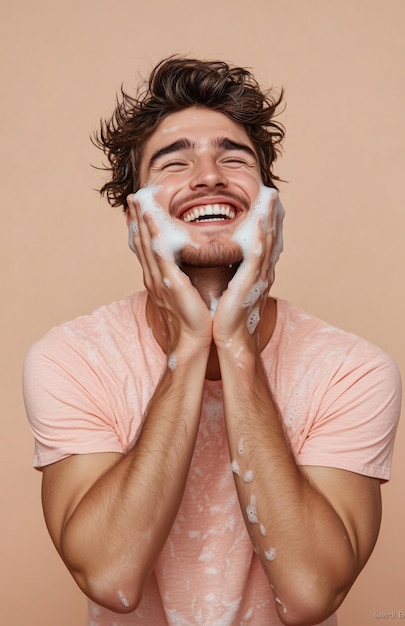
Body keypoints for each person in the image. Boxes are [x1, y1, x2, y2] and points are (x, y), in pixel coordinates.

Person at [23, 57, 401, 626]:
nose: (208, 175)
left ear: (269, 202)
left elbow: (310, 594)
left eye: (234, 157)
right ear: (135, 215)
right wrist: (190, 349)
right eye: (175, 160)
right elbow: (111, 577)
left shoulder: (352, 370)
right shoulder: (72, 358)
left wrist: (239, 349)